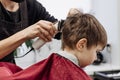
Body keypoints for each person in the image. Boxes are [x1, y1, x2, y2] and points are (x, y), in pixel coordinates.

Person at [0, 9, 107, 80]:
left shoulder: (31, 6)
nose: (95, 58)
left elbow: (59, 28)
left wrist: (72, 24)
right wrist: (24, 34)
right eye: (96, 52)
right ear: (81, 44)